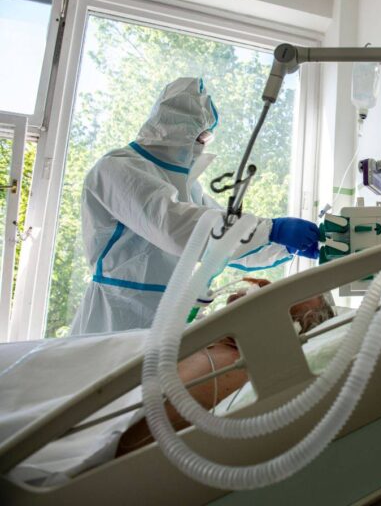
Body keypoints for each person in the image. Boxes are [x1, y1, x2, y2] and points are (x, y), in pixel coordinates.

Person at [70, 77, 319, 336]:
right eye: (200, 135)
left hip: (168, 317)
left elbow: (220, 243)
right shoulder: (118, 168)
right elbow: (175, 225)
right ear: (176, 129)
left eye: (206, 136)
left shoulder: (188, 187)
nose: (202, 144)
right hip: (117, 313)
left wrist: (282, 245)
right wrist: (270, 230)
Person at [116, 278, 335, 455]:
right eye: (270, 288)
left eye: (277, 300)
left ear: (290, 332)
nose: (258, 290)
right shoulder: (202, 340)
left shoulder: (229, 367)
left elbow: (127, 443)